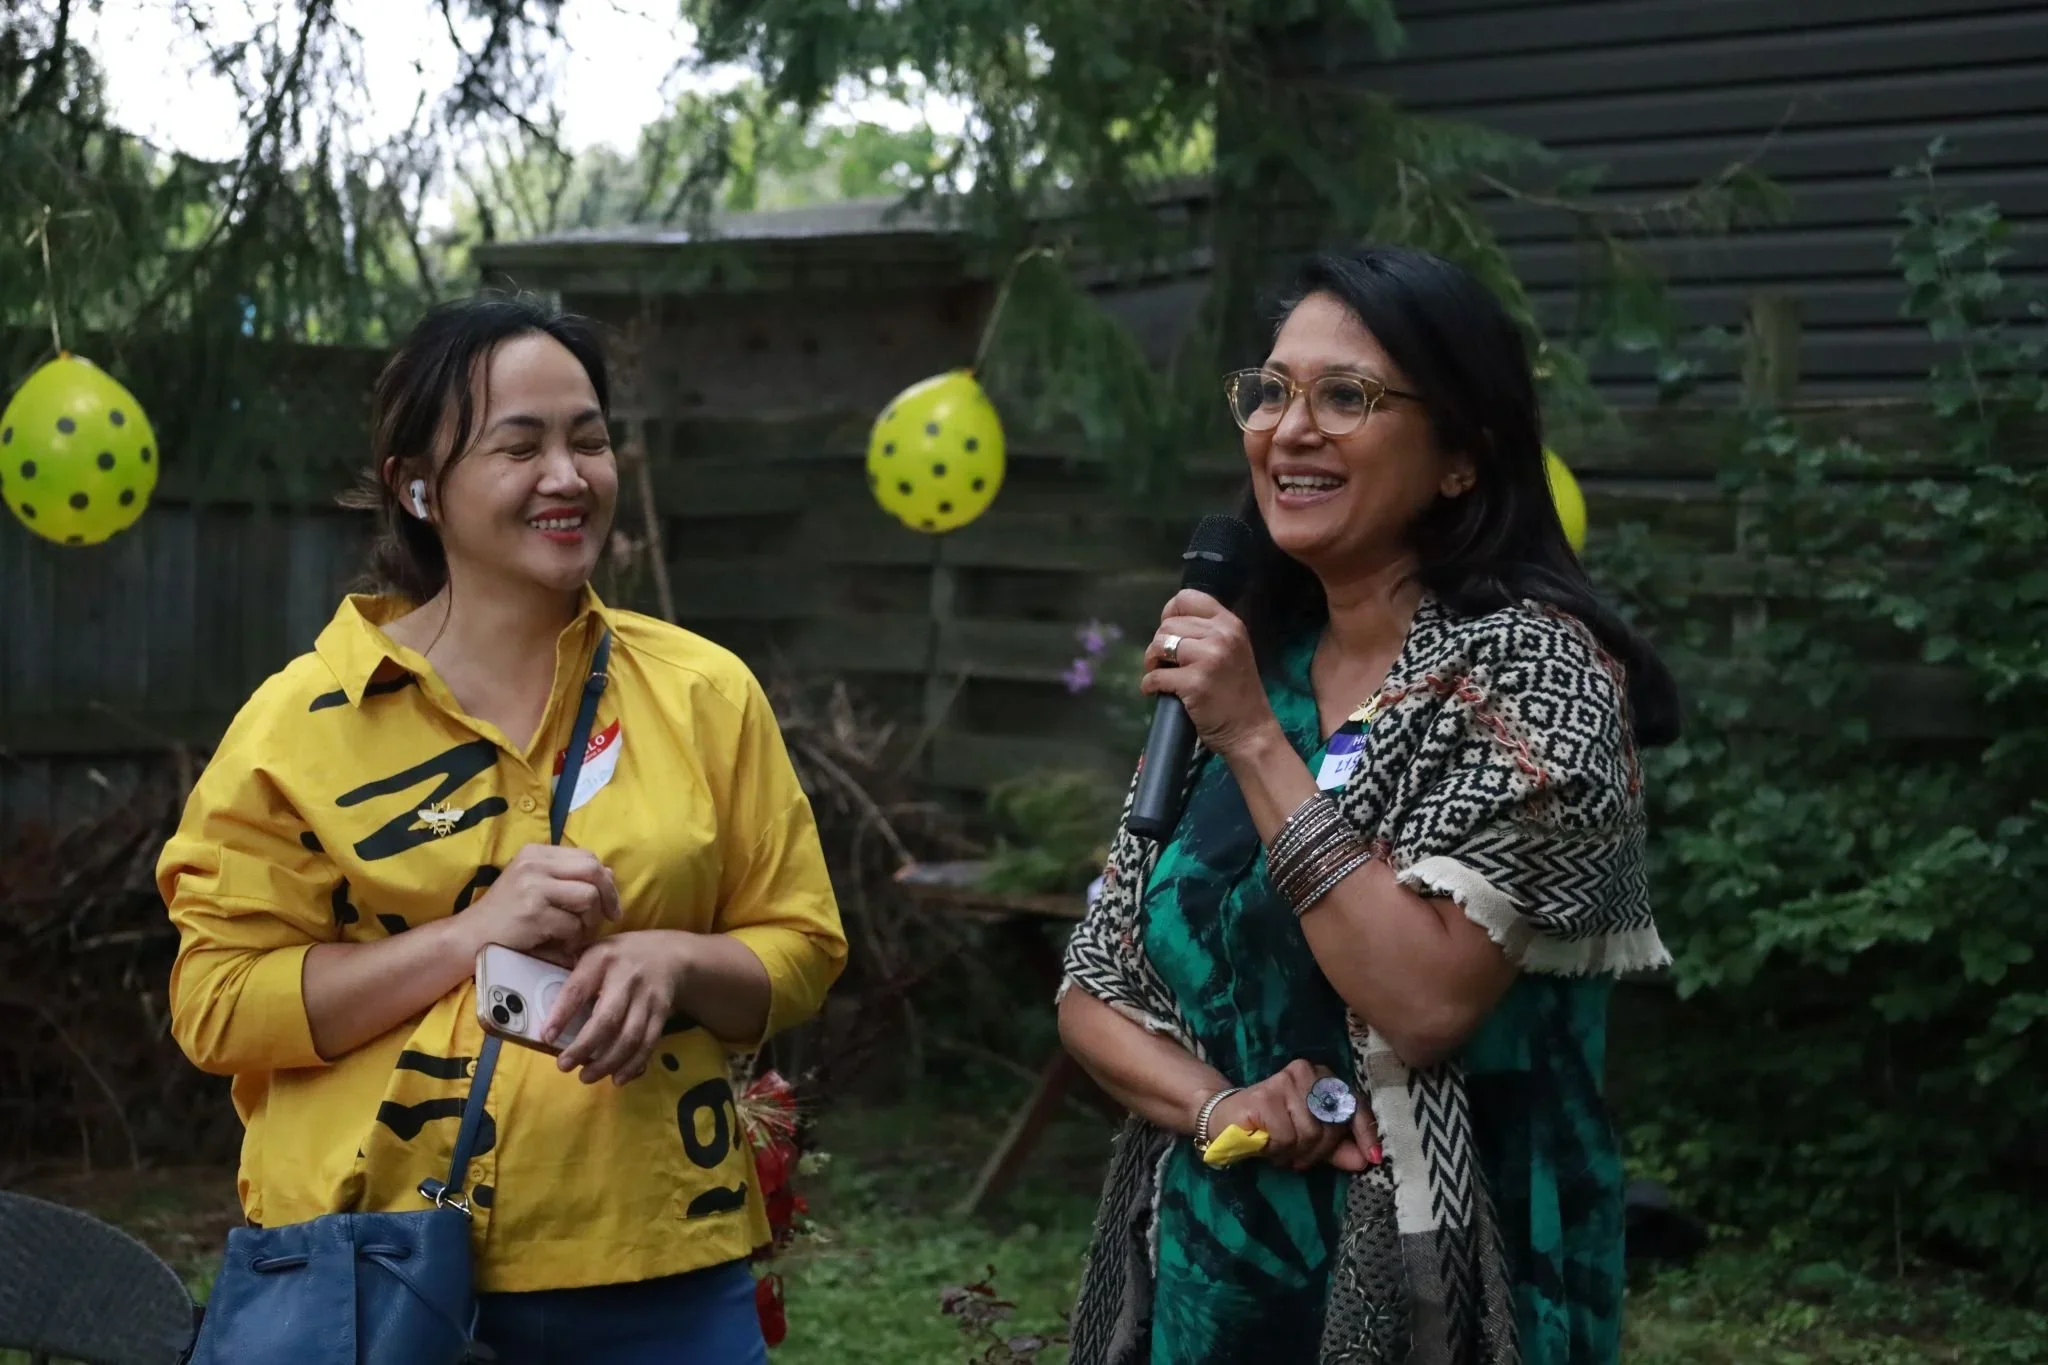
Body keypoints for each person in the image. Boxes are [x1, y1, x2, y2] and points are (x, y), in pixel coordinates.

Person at [158, 295, 847, 1365]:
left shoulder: (704, 692)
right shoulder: (300, 723)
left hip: (655, 1262)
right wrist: (464, 939)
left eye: (588, 438)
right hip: (372, 1271)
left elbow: (799, 950)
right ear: (416, 485)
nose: (567, 476)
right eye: (518, 445)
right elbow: (217, 1004)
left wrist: (672, 963)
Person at [1056, 245, 1679, 1365]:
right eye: (1271, 391)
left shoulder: (1537, 679)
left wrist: (1252, 739)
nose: (1290, 430)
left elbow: (1425, 1001)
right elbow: (1092, 990)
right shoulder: (1257, 662)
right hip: (1217, 1283)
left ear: (1458, 457)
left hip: (1456, 1290)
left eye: (1346, 396)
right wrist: (1221, 1106)